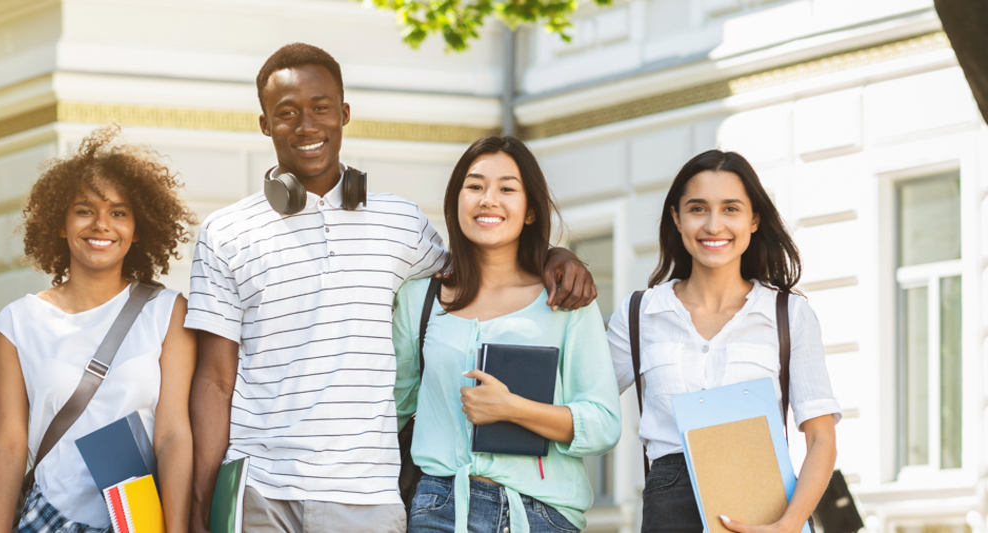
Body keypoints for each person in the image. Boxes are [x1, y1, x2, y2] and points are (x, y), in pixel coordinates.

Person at [186, 43, 598, 533]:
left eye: (320, 108)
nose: (306, 126)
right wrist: (199, 503)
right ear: (264, 124)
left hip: (368, 496)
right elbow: (213, 380)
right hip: (260, 489)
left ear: (344, 114)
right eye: (287, 113)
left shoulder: (399, 221)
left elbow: (480, 271)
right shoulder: (224, 231)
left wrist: (552, 256)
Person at [392, 136, 622, 533]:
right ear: (456, 200)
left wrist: (513, 409)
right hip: (440, 509)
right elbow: (390, 408)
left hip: (541, 515)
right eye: (475, 186)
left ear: (530, 210)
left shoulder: (565, 300)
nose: (488, 199)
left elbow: (603, 423)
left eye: (507, 189)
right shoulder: (419, 299)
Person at [607, 150, 839, 533]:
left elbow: (821, 440)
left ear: (754, 219)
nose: (714, 225)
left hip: (764, 510)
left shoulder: (789, 315)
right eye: (698, 209)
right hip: (669, 510)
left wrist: (788, 526)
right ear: (676, 218)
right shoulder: (639, 314)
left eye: (730, 209)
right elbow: (579, 404)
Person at [0, 125, 198, 533]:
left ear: (137, 231)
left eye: (119, 212)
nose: (102, 224)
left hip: (139, 525)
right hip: (48, 520)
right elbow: (8, 448)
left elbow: (173, 434)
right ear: (60, 224)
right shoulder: (17, 323)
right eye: (85, 210)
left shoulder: (167, 312)